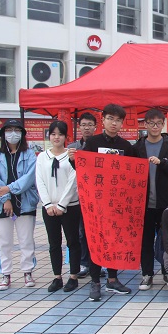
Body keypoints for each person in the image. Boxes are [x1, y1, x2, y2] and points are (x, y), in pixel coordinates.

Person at [82, 104, 135, 301]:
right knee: (96, 242)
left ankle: (112, 279)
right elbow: (82, 169)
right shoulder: (92, 143)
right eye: (110, 119)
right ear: (102, 120)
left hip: (117, 204)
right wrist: (73, 160)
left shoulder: (126, 146)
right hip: (96, 204)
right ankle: (95, 281)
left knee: (114, 241)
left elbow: (133, 173)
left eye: (118, 120)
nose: (114, 123)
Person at [133, 109, 168, 290]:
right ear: (145, 124)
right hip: (144, 203)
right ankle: (147, 274)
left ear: (163, 125)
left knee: (166, 241)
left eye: (158, 123)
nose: (155, 127)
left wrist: (162, 162)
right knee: (145, 241)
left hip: (166, 203)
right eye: (151, 123)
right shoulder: (137, 147)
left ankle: (167, 272)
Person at [0, 119, 39, 291]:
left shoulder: (29, 155)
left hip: (25, 203)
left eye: (17, 130)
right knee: (3, 242)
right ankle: (5, 274)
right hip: (1, 205)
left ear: (22, 134)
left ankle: (27, 272)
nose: (13, 134)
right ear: (3, 134)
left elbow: (29, 179)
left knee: (26, 240)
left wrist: (9, 188)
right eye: (9, 130)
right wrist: (5, 199)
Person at [36, 121, 81, 292]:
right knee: (54, 243)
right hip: (49, 208)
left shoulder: (71, 156)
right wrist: (47, 204)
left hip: (70, 206)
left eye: (60, 134)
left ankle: (73, 276)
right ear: (49, 136)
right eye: (53, 134)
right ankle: (57, 277)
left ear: (65, 137)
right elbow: (39, 181)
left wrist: (62, 205)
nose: (57, 137)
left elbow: (73, 181)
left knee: (72, 241)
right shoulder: (42, 157)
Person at [67, 112, 97, 279]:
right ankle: (85, 263)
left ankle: (99, 263)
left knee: (97, 231)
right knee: (81, 232)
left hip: (97, 195)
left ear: (95, 127)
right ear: (79, 127)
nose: (87, 128)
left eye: (90, 125)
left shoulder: (99, 146)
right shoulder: (72, 148)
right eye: (84, 125)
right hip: (78, 196)